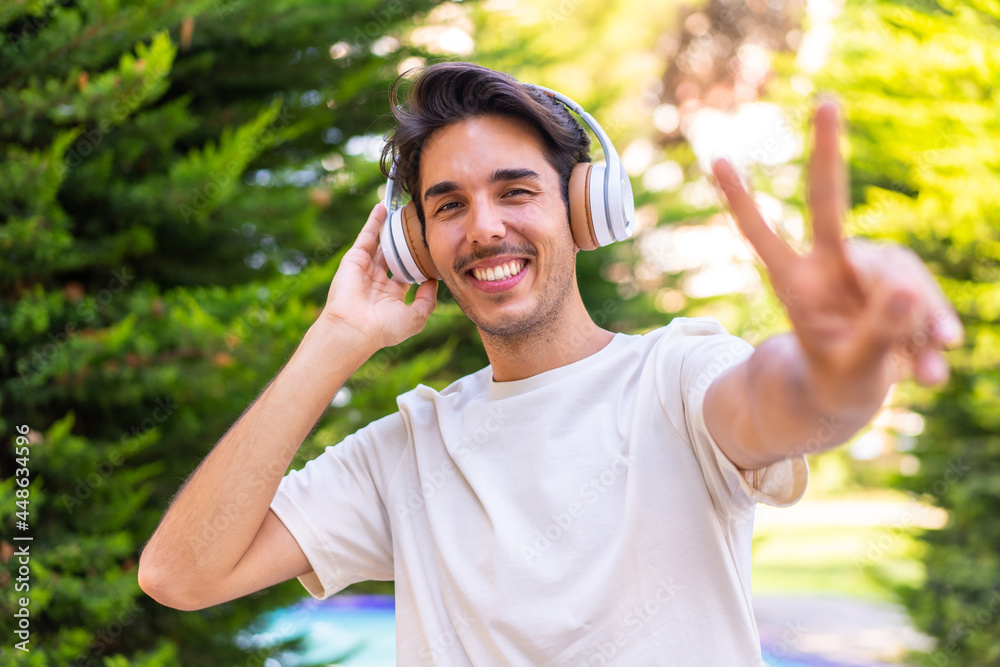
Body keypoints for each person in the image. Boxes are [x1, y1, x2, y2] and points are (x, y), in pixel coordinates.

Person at [137, 62, 962, 665]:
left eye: (516, 190)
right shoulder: (409, 450)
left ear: (584, 209)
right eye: (447, 206)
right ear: (417, 246)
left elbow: (791, 404)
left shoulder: (676, 378)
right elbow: (178, 573)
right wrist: (337, 335)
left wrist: (844, 362)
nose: (484, 226)